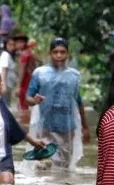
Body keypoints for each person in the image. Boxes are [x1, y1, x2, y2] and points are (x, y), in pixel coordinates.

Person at [26, 37, 90, 170]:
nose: (59, 55)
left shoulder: (74, 75)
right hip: (45, 127)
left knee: (63, 167)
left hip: (67, 128)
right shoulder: (40, 73)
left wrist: (85, 127)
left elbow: (78, 101)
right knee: (43, 165)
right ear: (50, 53)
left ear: (68, 54)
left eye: (62, 52)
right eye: (55, 52)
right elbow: (28, 98)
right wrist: (35, 101)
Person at [14, 34, 37, 119]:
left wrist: (18, 86)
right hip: (30, 84)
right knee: (26, 107)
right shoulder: (30, 54)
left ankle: (24, 129)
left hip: (25, 85)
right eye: (16, 42)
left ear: (24, 43)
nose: (17, 44)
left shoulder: (24, 55)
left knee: (23, 108)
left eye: (19, 42)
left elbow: (22, 71)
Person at [0, 37, 17, 105]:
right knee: (4, 106)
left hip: (8, 85)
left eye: (13, 45)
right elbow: (3, 70)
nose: (12, 47)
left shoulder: (8, 55)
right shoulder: (6, 55)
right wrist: (4, 85)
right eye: (9, 45)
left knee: (5, 105)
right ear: (5, 45)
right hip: (5, 84)